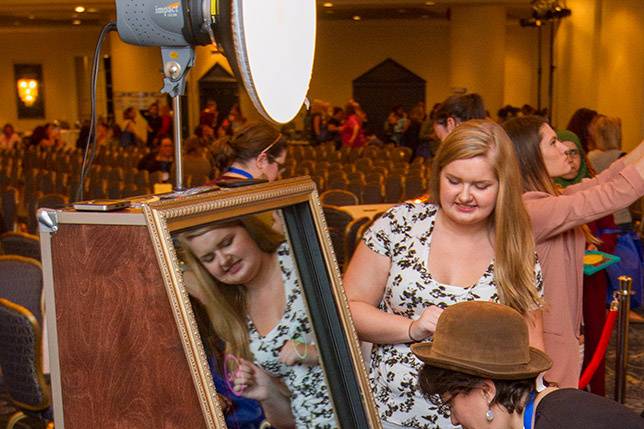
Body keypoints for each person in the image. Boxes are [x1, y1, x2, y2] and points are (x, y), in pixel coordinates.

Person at [343, 120, 544, 429]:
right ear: (438, 174)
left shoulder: (514, 247)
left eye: (481, 186)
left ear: (503, 186)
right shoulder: (399, 225)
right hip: (392, 412)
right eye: (454, 180)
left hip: (479, 421)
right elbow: (348, 309)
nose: (465, 195)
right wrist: (412, 328)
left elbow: (531, 347)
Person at [502, 115, 644, 389]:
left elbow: (607, 179)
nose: (564, 149)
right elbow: (614, 193)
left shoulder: (551, 198)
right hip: (543, 342)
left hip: (562, 334)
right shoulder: (531, 209)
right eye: (553, 142)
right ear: (530, 157)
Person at [177, 216, 336, 428]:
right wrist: (266, 393)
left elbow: (366, 349)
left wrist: (313, 353)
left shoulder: (297, 257)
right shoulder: (235, 310)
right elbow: (286, 421)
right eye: (209, 258)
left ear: (249, 229)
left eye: (226, 243)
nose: (223, 259)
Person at [411, 301, 644, 429]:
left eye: (451, 404)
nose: (454, 420)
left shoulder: (562, 422)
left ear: (486, 391)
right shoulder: (545, 411)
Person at [553, 129, 618, 396]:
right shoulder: (546, 192)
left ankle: (595, 394)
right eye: (563, 152)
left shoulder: (595, 188)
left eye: (574, 153)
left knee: (595, 335)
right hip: (558, 280)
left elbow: (609, 232)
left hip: (590, 279)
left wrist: (595, 246)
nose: (569, 159)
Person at [210, 122, 287, 183]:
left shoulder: (206, 189)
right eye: (279, 166)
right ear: (261, 160)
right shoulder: (259, 197)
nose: (278, 175)